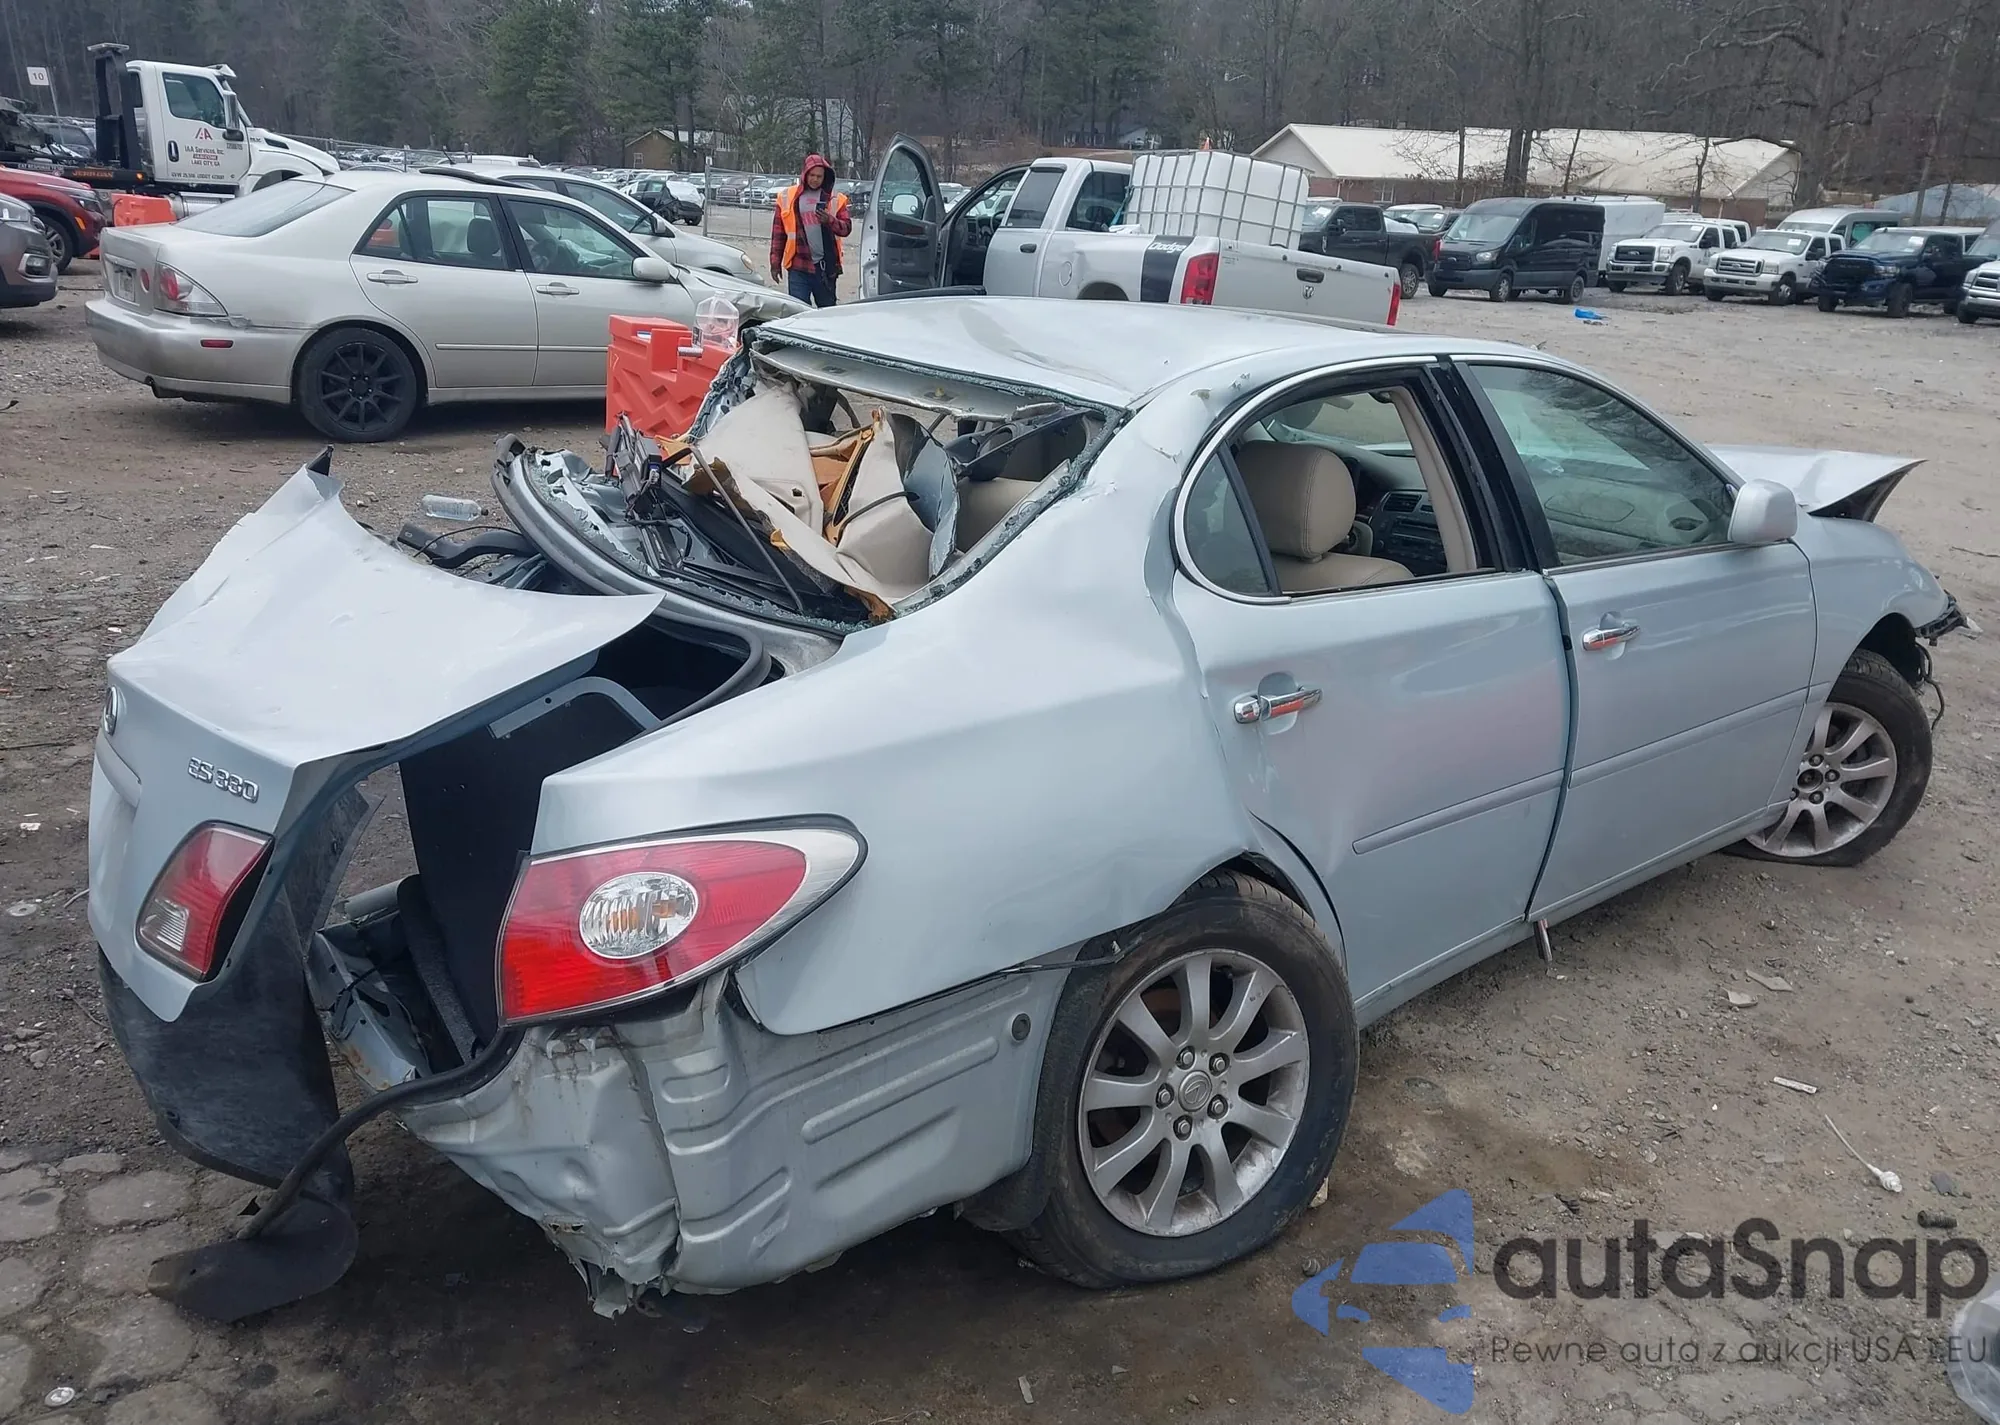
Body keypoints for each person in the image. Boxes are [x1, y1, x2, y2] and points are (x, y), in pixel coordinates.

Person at [769, 153, 850, 307]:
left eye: (819, 176)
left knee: (827, 313)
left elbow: (846, 228)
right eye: (812, 175)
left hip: (825, 267)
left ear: (825, 177)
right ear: (805, 174)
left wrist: (830, 220)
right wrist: (775, 263)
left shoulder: (835, 199)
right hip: (798, 266)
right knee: (798, 311)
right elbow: (778, 234)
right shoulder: (788, 197)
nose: (815, 179)